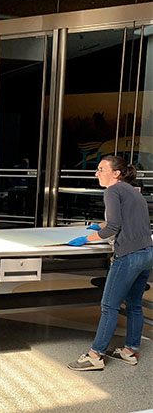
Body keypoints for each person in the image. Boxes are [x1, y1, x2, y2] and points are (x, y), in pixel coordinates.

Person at [66, 155, 153, 371]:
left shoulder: (113, 191)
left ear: (116, 174)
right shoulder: (133, 191)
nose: (97, 173)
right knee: (134, 305)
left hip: (129, 256)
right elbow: (126, 221)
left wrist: (86, 240)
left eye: (101, 169)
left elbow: (113, 228)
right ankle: (130, 351)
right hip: (147, 254)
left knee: (108, 306)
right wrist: (100, 225)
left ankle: (95, 356)